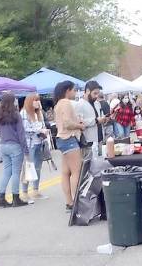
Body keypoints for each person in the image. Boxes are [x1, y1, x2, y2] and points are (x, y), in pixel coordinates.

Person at [54, 80, 85, 212]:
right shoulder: (66, 103)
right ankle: (76, 200)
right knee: (76, 172)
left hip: (61, 139)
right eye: (74, 90)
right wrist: (80, 125)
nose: (75, 92)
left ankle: (69, 202)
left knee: (66, 172)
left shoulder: (58, 104)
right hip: (69, 138)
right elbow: (67, 123)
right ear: (68, 90)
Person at [0, 92, 30, 208]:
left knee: (6, 172)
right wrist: (26, 150)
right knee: (16, 173)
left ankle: (0, 198)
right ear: (13, 101)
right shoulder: (16, 115)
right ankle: (16, 198)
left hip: (3, 146)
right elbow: (21, 134)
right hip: (15, 146)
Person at [21, 94, 50, 201]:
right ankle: (24, 193)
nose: (38, 102)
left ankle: (35, 190)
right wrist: (39, 131)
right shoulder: (24, 113)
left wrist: (43, 131)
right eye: (35, 100)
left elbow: (42, 125)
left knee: (37, 167)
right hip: (30, 144)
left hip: (39, 143)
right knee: (28, 168)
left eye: (38, 100)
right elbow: (24, 129)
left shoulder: (38, 113)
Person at [76, 81, 108, 158]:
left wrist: (104, 119)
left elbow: (100, 116)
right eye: (95, 93)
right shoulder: (80, 104)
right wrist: (96, 120)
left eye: (98, 93)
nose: (97, 96)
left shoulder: (97, 103)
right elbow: (80, 123)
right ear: (87, 91)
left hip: (100, 138)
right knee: (90, 165)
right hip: (88, 141)